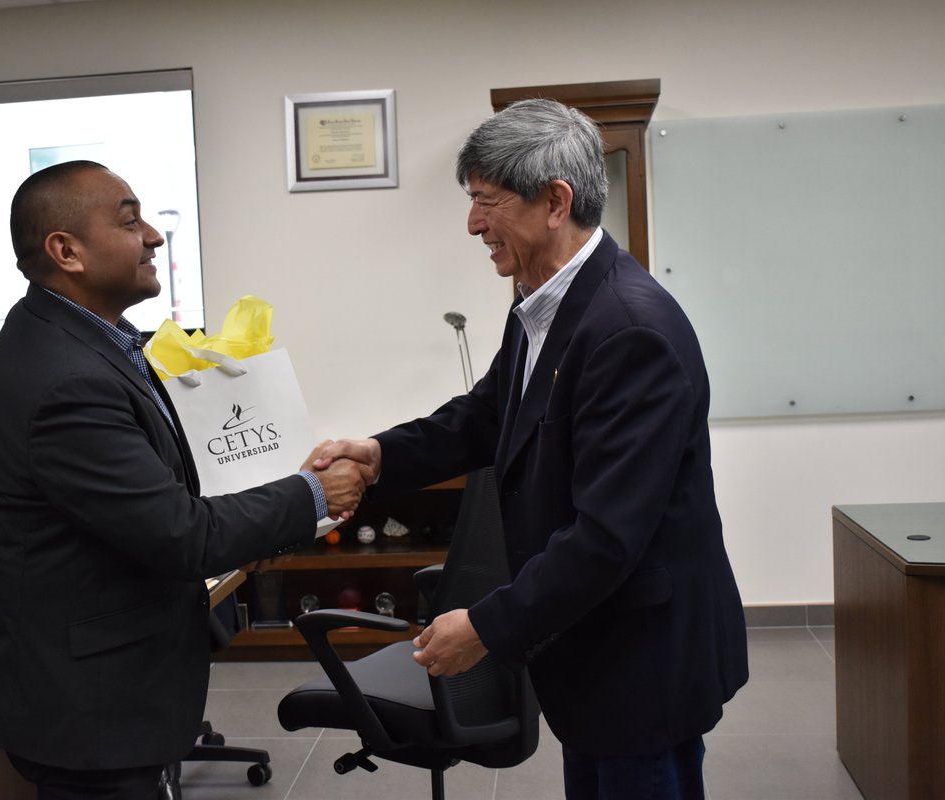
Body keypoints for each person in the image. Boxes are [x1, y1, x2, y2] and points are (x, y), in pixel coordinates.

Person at [316, 99, 748, 799]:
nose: (473, 224)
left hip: (642, 654)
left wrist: (488, 626)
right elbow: (486, 417)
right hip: (589, 642)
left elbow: (608, 536)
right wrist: (379, 456)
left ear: (555, 201)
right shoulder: (544, 302)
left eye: (487, 202)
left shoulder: (628, 330)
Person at [0, 160, 371, 799]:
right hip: (93, 711)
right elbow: (178, 532)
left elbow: (161, 494)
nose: (154, 237)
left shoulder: (90, 343)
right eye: (130, 221)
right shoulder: (66, 376)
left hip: (107, 690)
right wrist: (314, 495)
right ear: (66, 250)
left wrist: (259, 519)